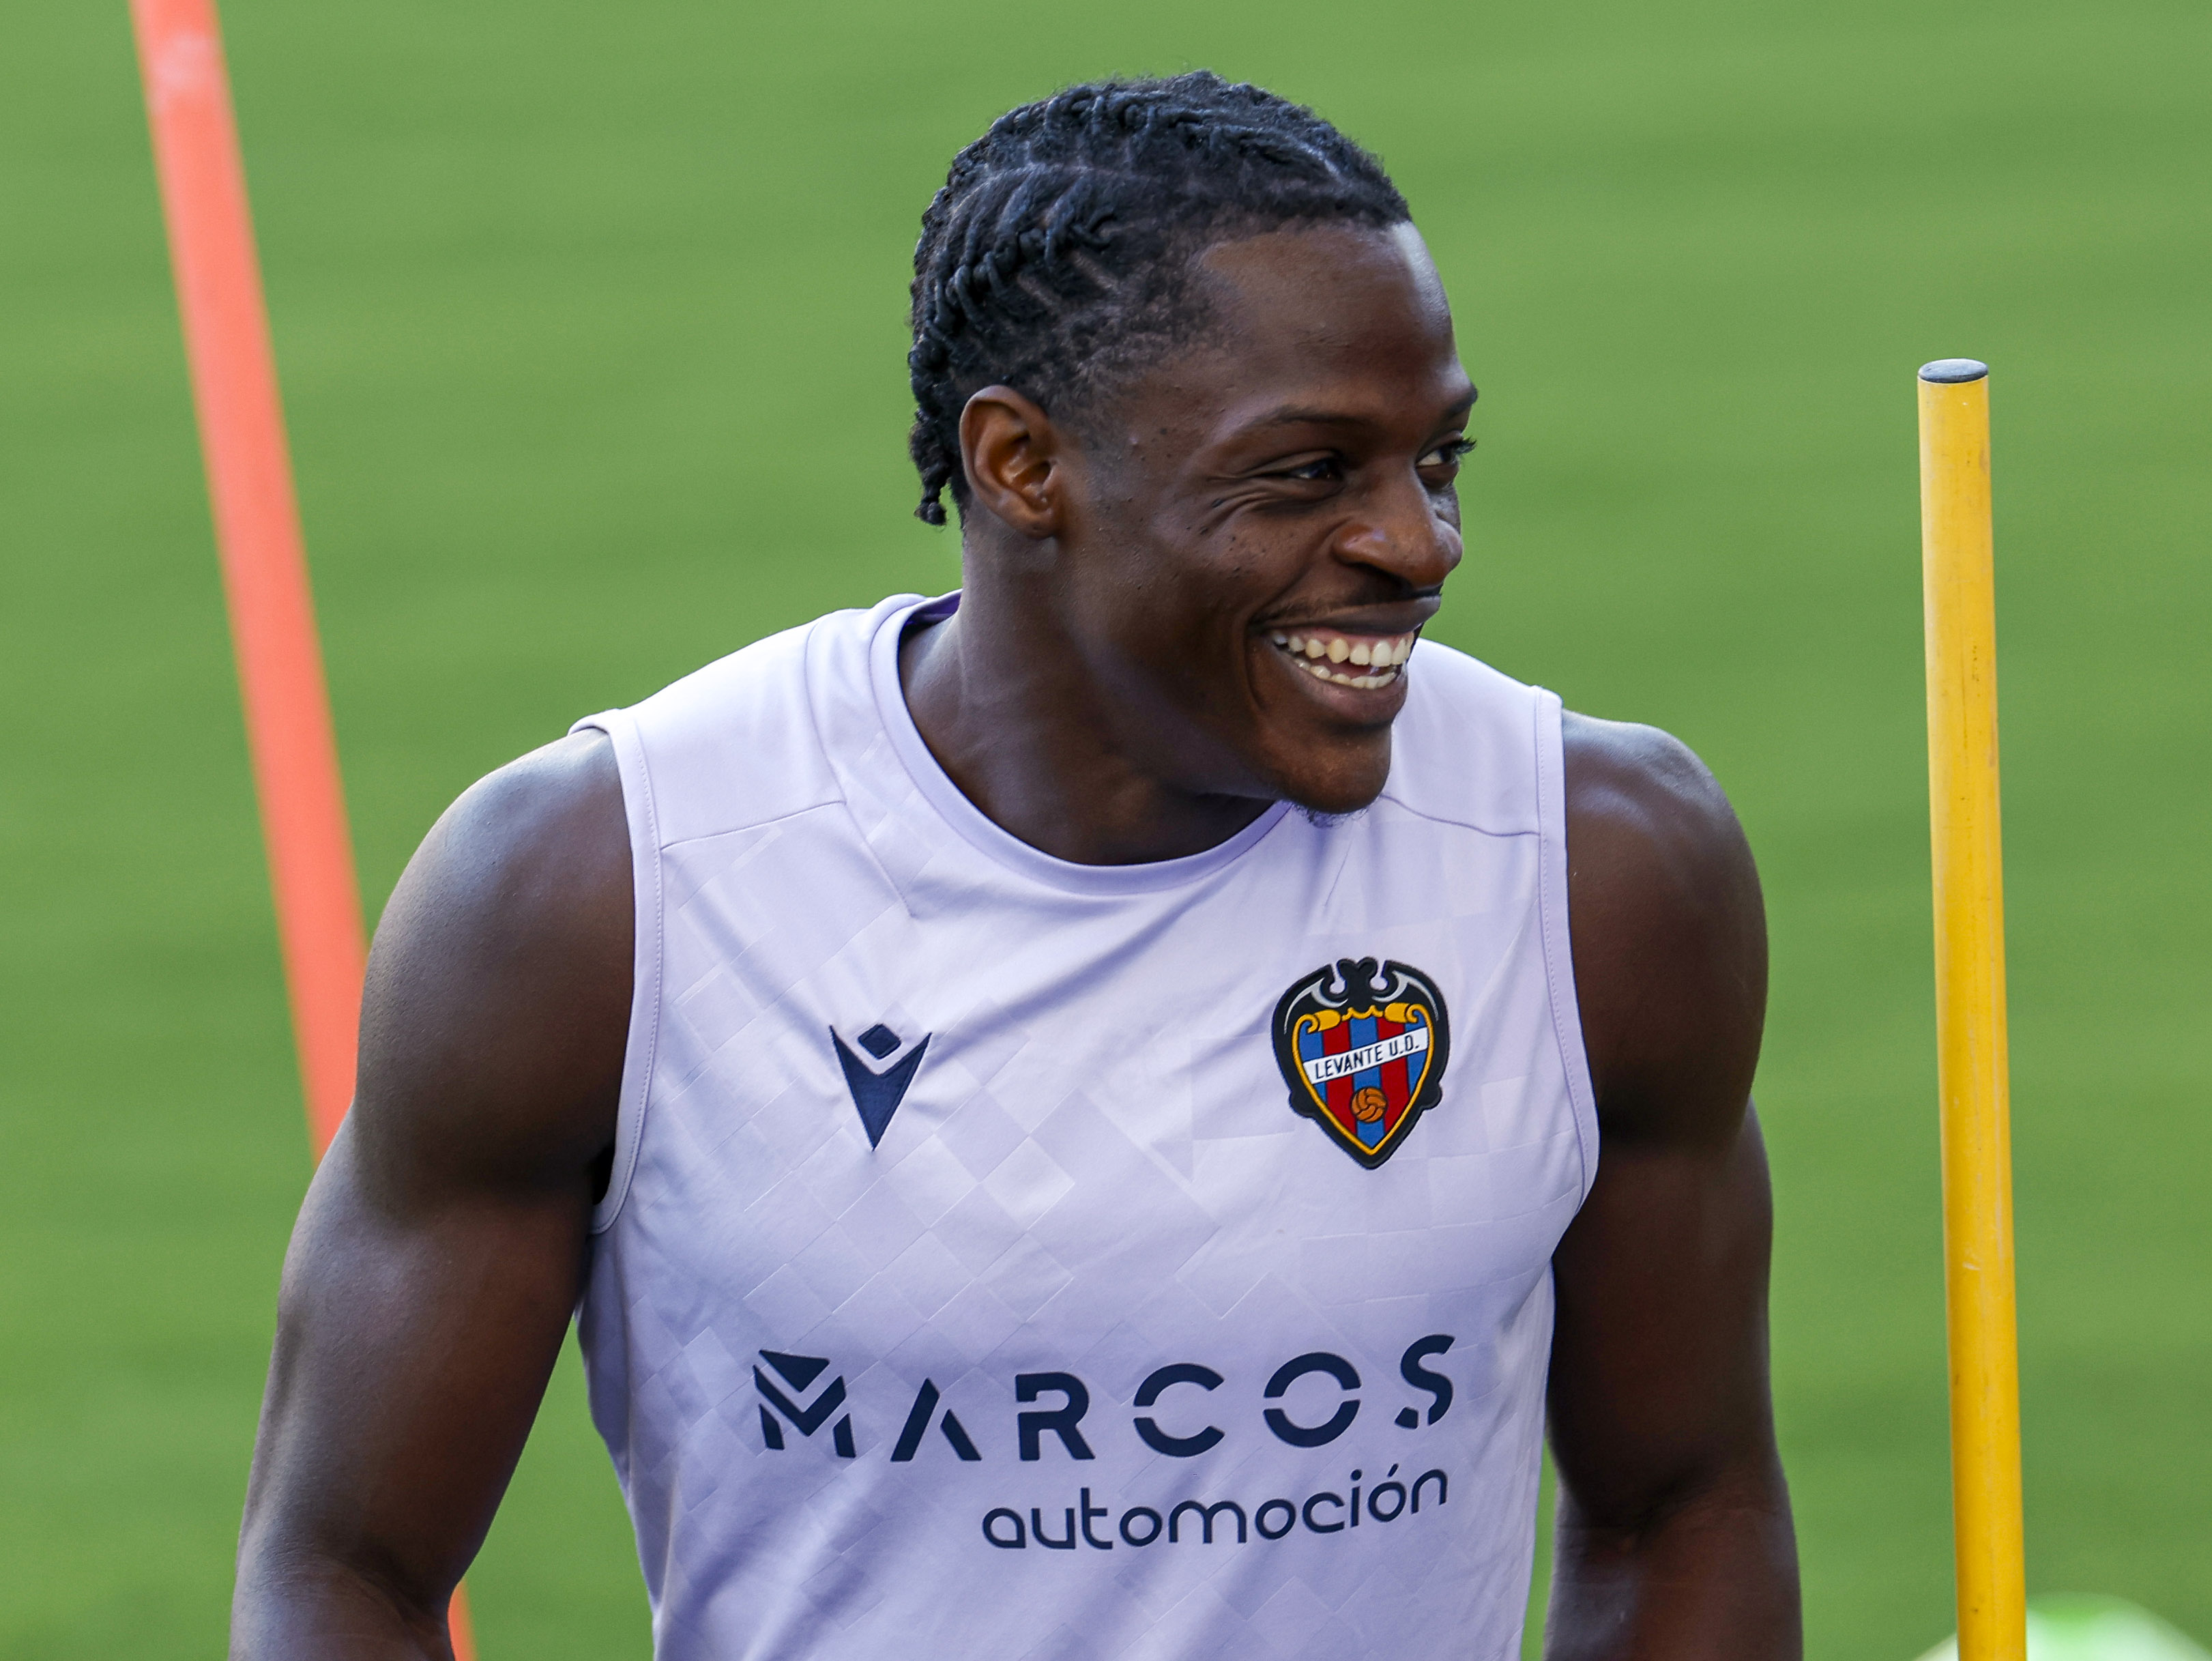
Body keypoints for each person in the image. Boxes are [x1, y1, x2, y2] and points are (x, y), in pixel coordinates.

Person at [229, 72, 1799, 1660]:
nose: (1418, 542)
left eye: (1435, 460)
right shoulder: (597, 893)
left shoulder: (1598, 872)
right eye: (1310, 473)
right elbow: (345, 1564)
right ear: (1020, 464)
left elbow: (1686, 1505)